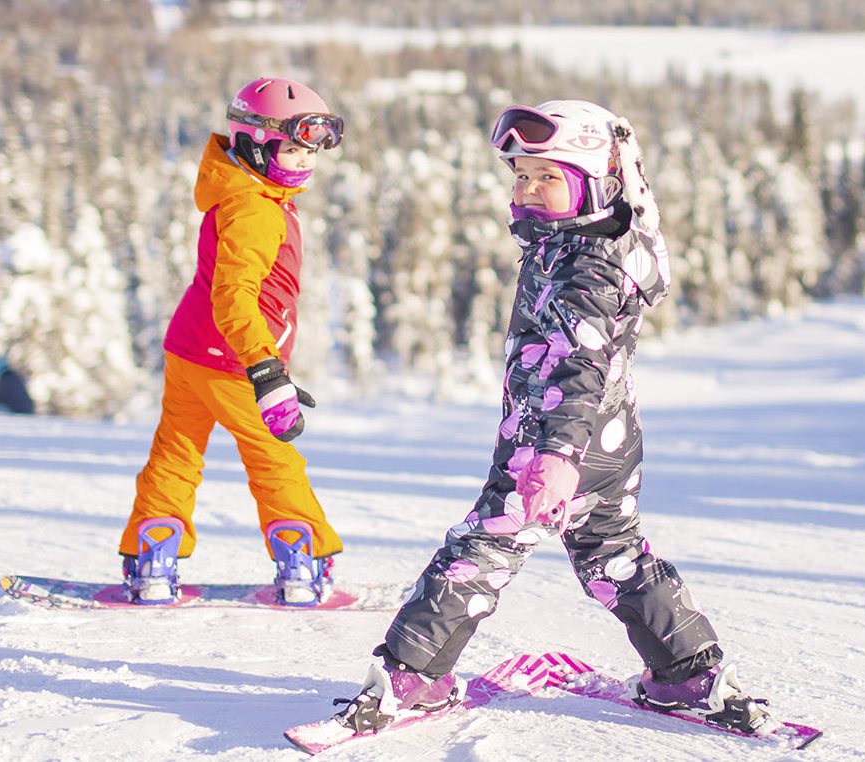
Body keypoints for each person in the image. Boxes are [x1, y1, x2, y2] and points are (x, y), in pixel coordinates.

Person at [330, 101, 780, 735]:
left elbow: (579, 366)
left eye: (549, 176)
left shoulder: (587, 267)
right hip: (608, 441)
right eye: (521, 175)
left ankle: (412, 677)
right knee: (613, 552)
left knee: (482, 550)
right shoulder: (576, 242)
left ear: (596, 181)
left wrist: (556, 457)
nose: (529, 189)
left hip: (553, 445)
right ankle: (687, 675)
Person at [117, 77, 346, 606]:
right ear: (250, 142)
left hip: (188, 349)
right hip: (233, 359)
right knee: (274, 459)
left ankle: (154, 560)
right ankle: (301, 563)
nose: (304, 161)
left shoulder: (245, 191)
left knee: (176, 453)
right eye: (291, 148)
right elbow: (233, 297)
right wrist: (266, 372)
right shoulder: (256, 209)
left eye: (309, 150)